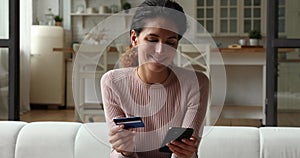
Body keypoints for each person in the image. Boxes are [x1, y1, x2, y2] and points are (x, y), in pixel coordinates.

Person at [100, 0, 209, 157]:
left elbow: (186, 153)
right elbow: (118, 153)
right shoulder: (112, 82)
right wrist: (124, 151)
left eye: (170, 42)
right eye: (152, 39)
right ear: (134, 38)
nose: (160, 51)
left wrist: (188, 153)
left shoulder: (196, 83)